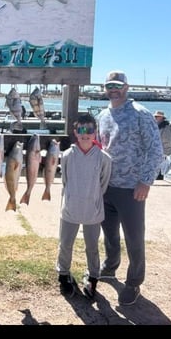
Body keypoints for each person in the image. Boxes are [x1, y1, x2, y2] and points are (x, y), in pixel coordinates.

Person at [98, 70, 163, 306]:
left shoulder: (141, 114)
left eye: (117, 84)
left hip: (132, 188)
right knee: (110, 234)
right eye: (109, 85)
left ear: (126, 87)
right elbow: (101, 146)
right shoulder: (103, 115)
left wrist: (145, 181)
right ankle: (109, 266)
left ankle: (134, 282)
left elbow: (156, 150)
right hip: (106, 186)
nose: (113, 89)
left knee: (134, 237)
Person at [57, 113, 112, 301]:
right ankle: (63, 274)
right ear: (75, 132)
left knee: (92, 247)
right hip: (70, 209)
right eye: (81, 130)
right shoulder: (66, 155)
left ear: (95, 132)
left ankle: (92, 276)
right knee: (65, 244)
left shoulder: (104, 158)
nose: (85, 134)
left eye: (89, 130)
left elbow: (103, 183)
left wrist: (93, 197)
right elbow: (65, 180)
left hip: (93, 212)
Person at [153, 110, 171, 179]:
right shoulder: (158, 126)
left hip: (161, 153)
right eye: (155, 116)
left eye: (157, 116)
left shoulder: (166, 127)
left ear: (162, 118)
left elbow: (167, 141)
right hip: (156, 153)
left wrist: (165, 153)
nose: (155, 118)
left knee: (160, 171)